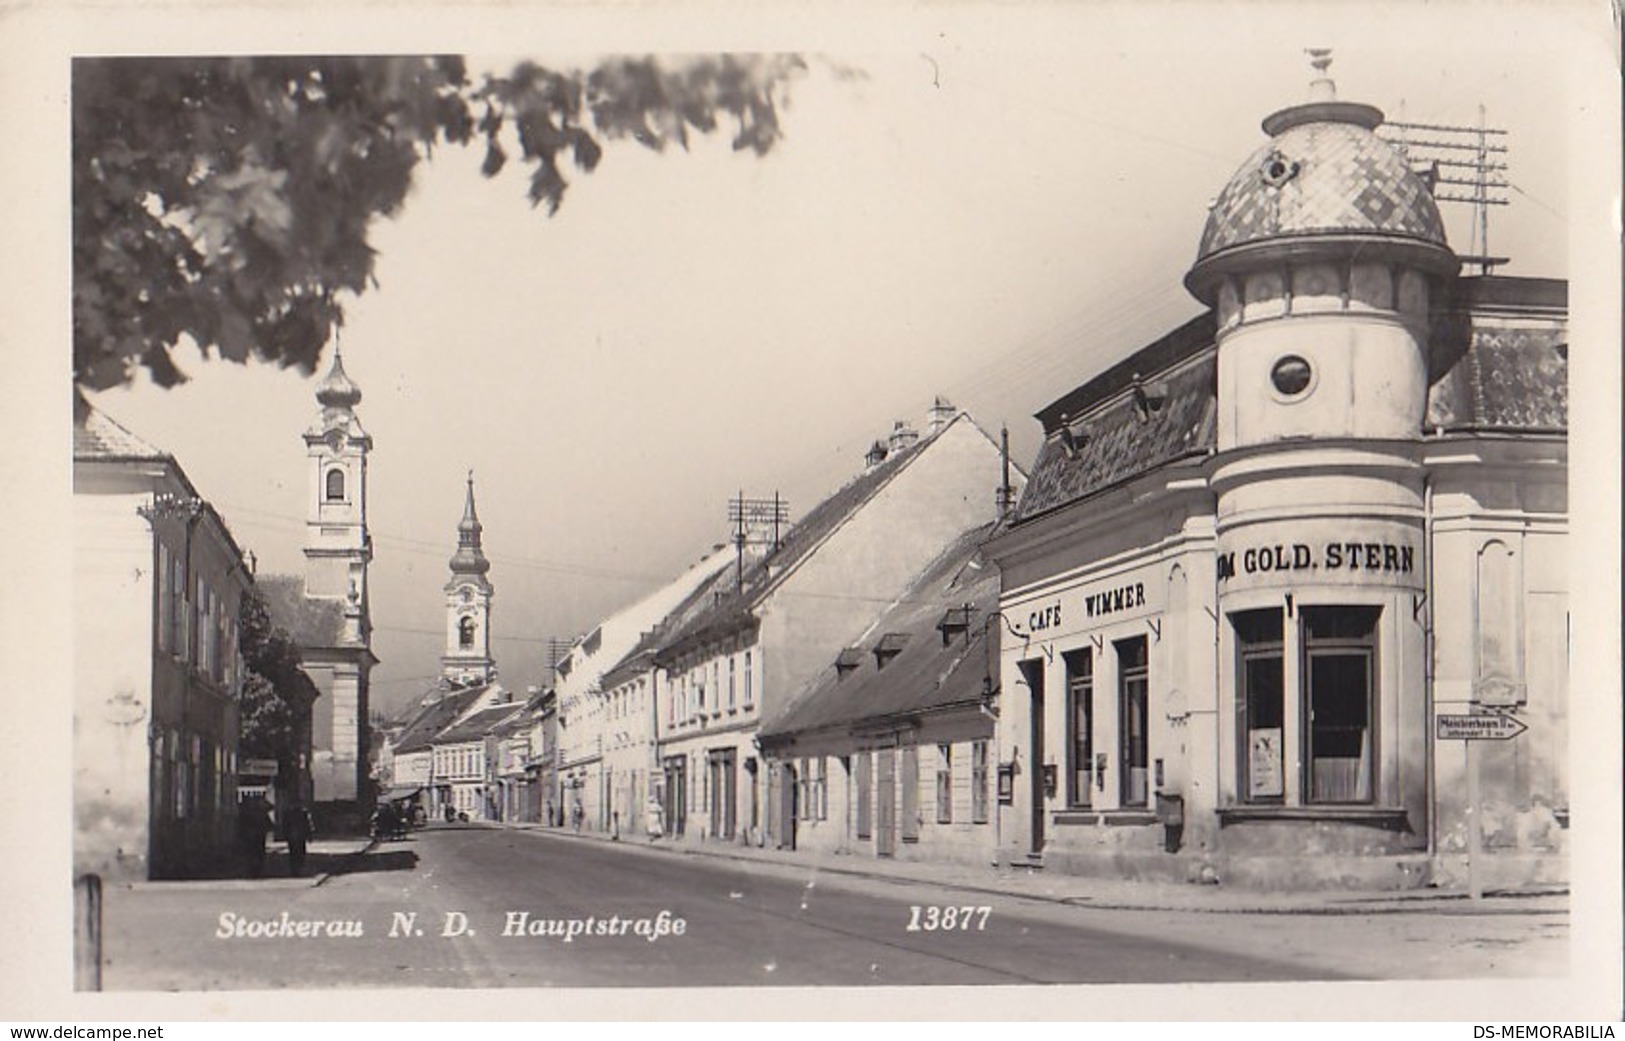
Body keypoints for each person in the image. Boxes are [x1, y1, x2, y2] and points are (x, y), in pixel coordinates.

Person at [238, 795, 272, 878]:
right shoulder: (260, 813)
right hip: (258, 836)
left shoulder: (247, 813)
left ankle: (253, 870)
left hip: (253, 837)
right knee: (257, 854)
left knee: (253, 854)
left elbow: (242, 825)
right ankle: (256, 870)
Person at [284, 802, 313, 876]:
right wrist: (309, 836)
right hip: (299, 837)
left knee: (294, 853)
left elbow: (285, 826)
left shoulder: (289, 813)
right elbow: (308, 825)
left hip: (294, 837)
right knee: (299, 853)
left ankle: (295, 869)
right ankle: (297, 868)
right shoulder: (303, 813)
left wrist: (286, 835)